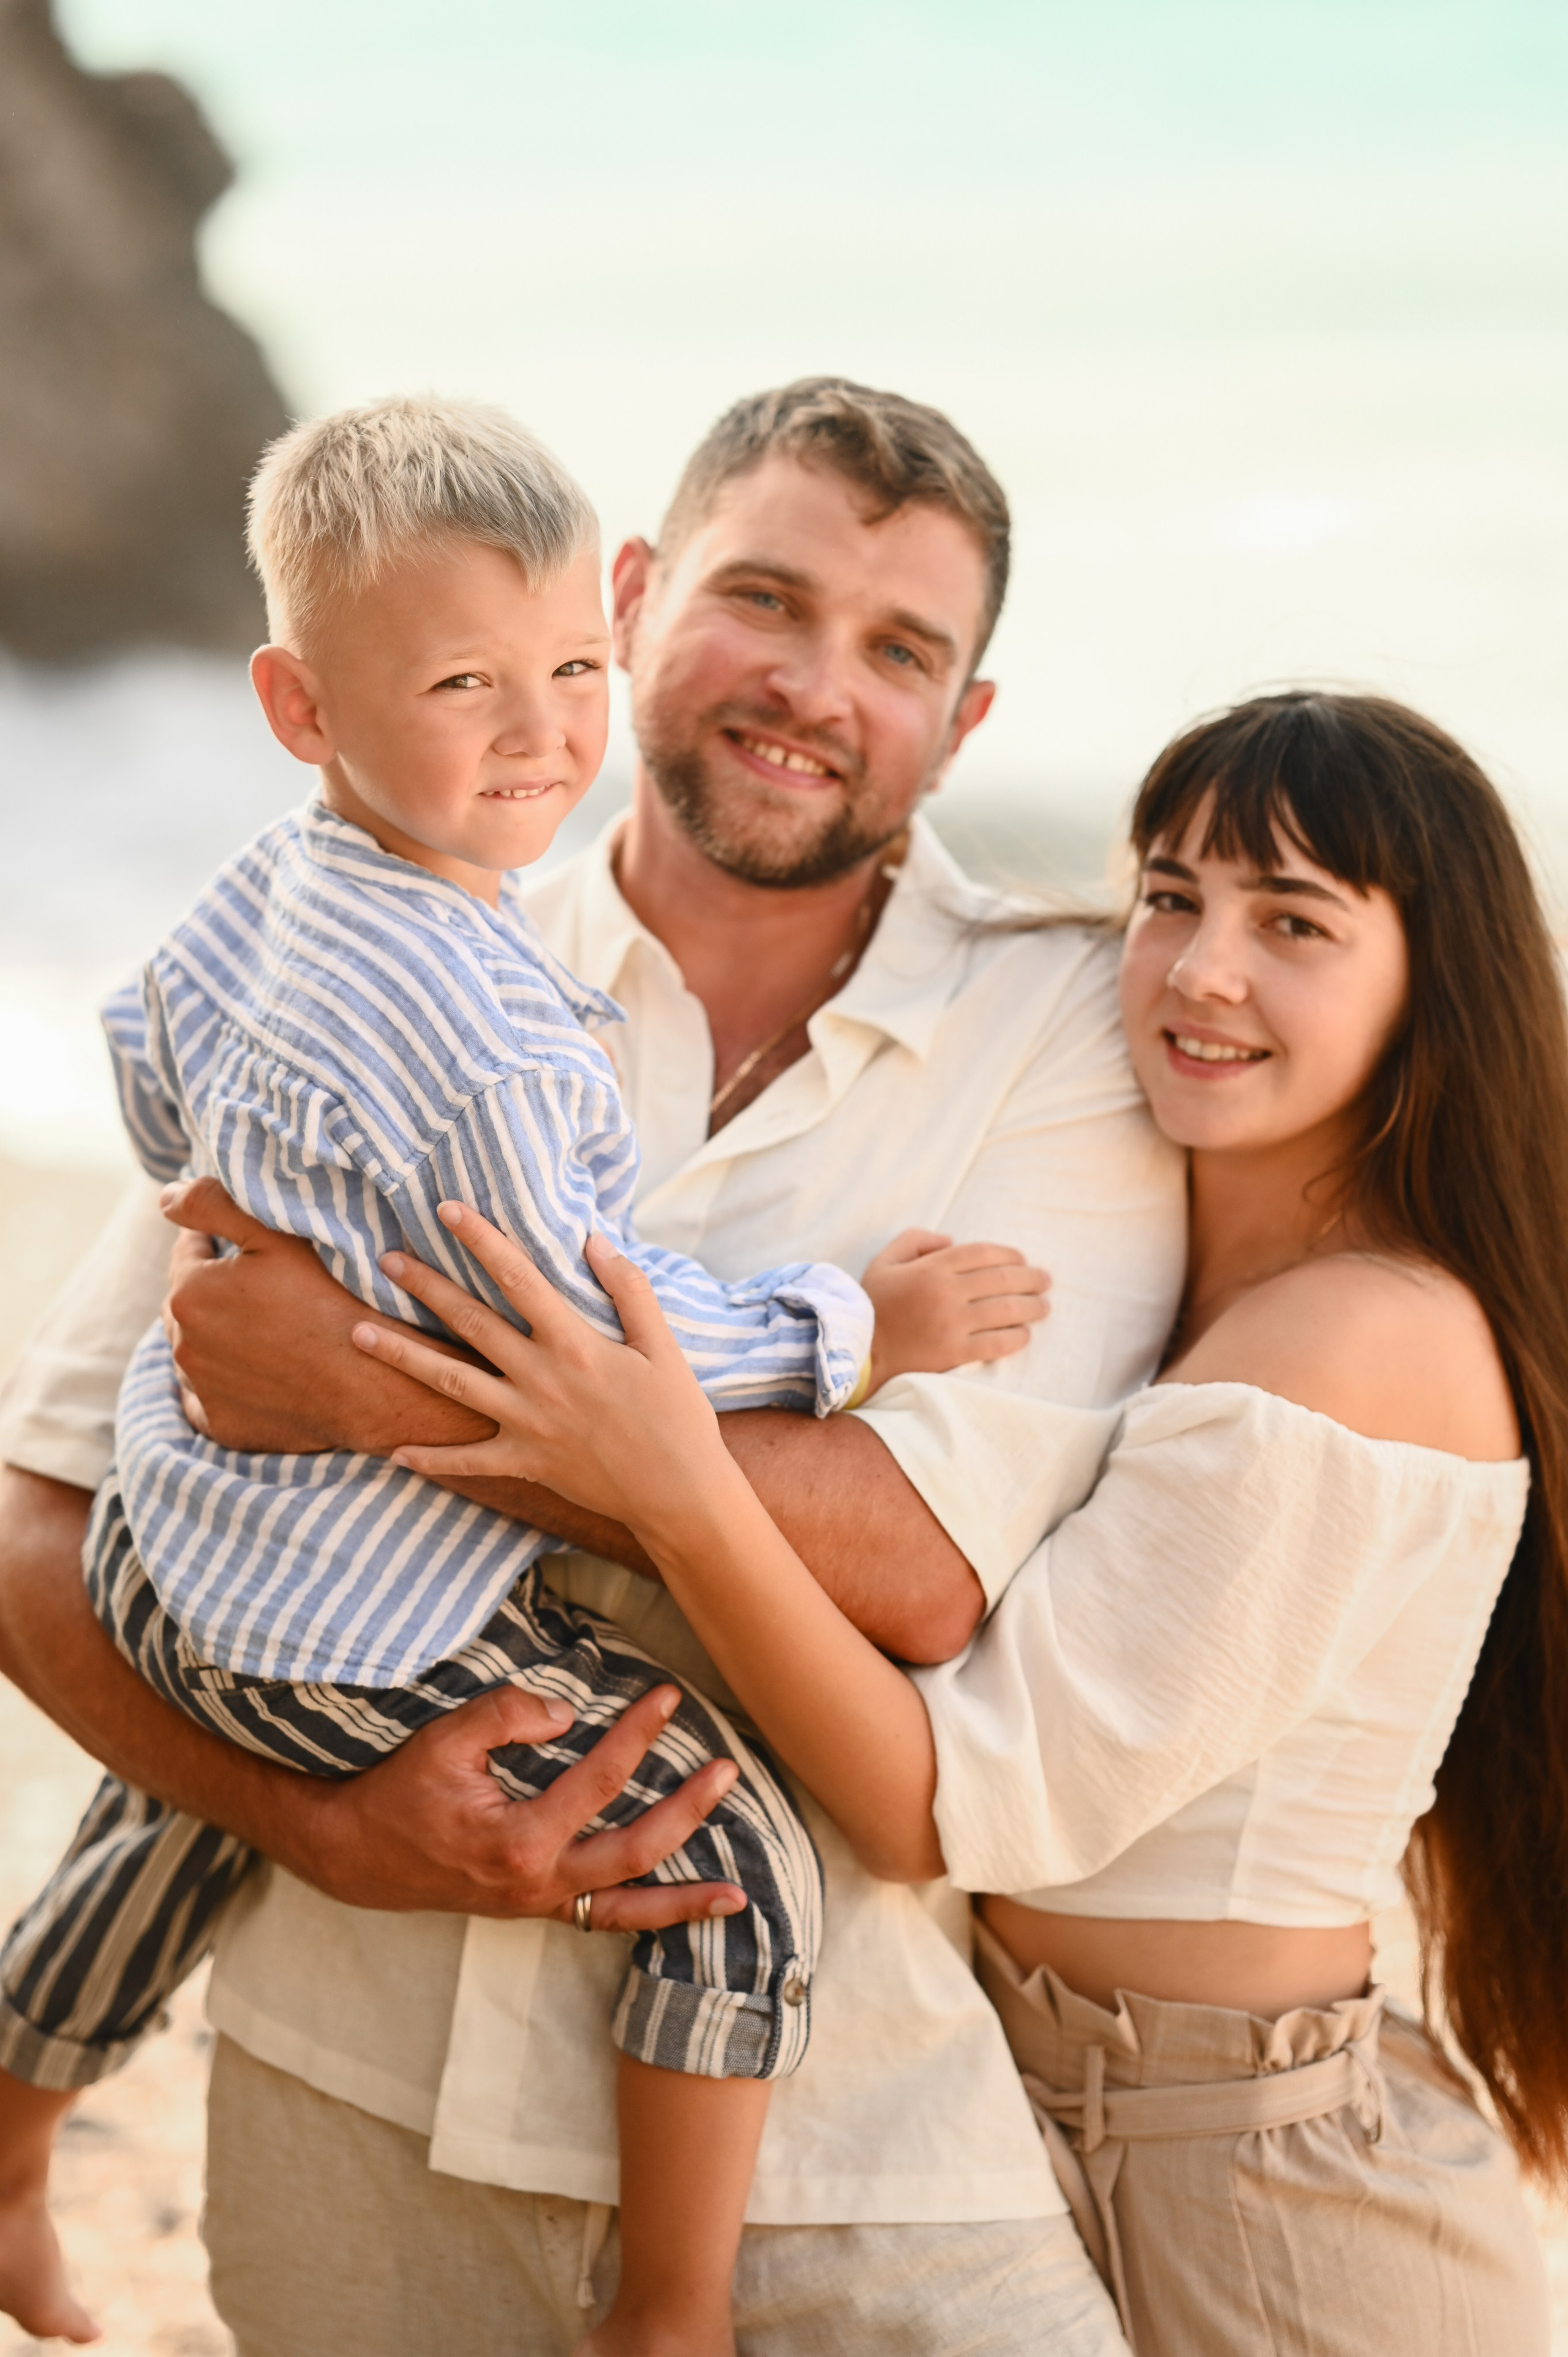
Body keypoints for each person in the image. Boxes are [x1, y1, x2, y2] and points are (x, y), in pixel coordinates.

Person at [0, 379, 1182, 2353]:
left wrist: (367, 1380)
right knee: (265, 1680)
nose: (816, 684)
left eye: (900, 649)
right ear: (642, 593)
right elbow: (45, 1523)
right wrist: (308, 1823)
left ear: (967, 722)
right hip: (350, 2123)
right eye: (767, 599)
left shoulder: (1067, 1029)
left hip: (857, 2177)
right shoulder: (434, 954)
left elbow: (912, 1567)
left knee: (228, 1629)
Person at [369, 691, 1564, 2355]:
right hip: (1068, 2103)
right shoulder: (1210, 1273)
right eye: (1170, 897)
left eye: (1294, 922)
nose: (1204, 970)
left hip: (1267, 2183)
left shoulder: (1358, 1338)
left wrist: (673, 1480)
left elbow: (941, 1806)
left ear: (1431, 985)